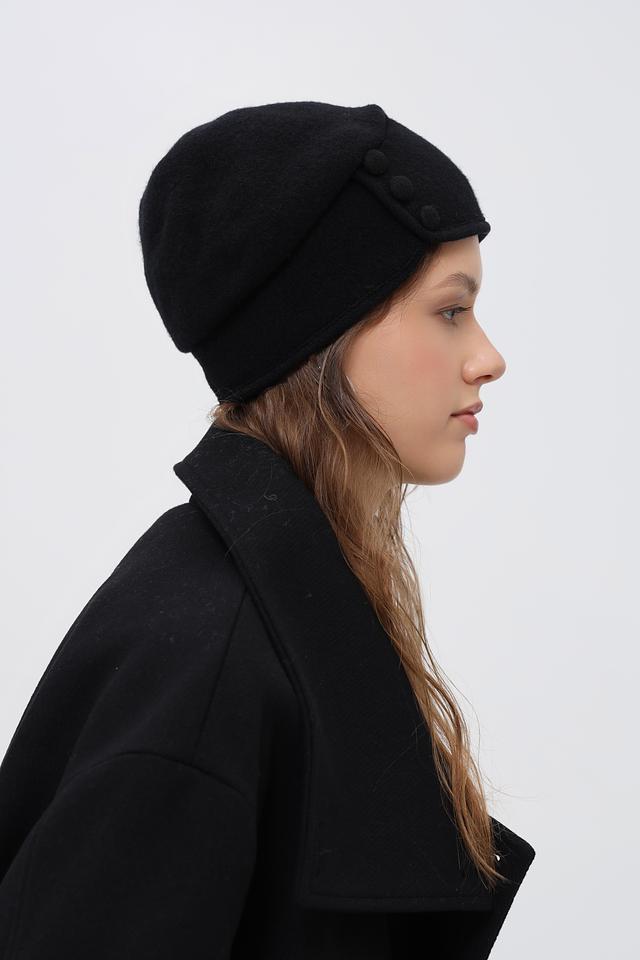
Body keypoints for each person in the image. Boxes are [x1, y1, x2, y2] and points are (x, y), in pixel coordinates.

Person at [0, 101, 535, 959]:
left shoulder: (266, 610)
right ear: (324, 332)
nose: (489, 357)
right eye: (449, 310)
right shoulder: (209, 673)